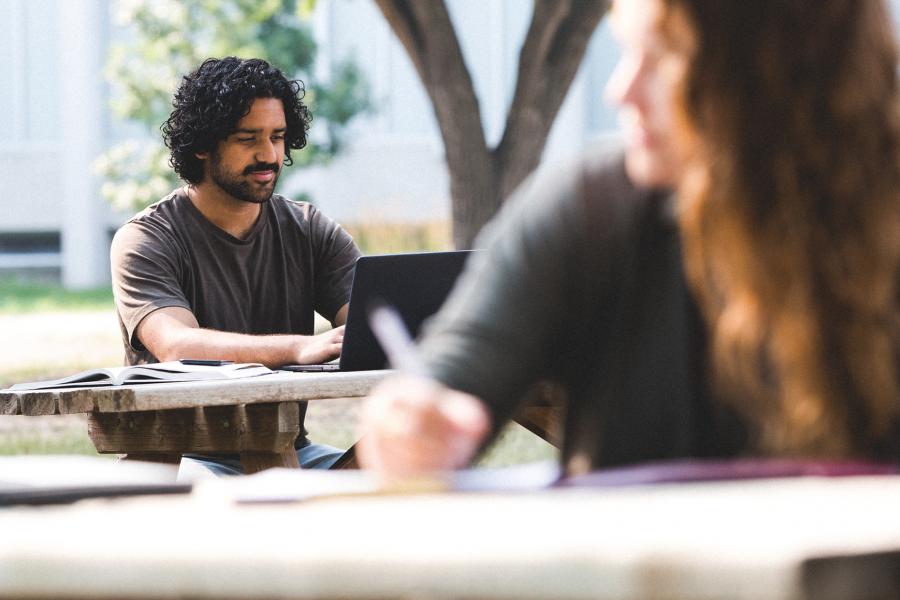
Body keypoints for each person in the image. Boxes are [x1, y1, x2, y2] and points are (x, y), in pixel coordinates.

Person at [358, 0, 900, 476]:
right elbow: (448, 379)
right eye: (626, 50)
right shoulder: (586, 209)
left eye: (666, 56)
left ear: (787, 62)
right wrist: (405, 428)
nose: (622, 90)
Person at [110, 57, 361, 475]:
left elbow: (374, 325)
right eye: (249, 139)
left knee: (413, 482)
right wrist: (298, 348)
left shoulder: (310, 229)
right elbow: (178, 346)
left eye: (278, 137)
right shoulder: (146, 239)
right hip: (183, 459)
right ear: (203, 145)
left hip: (292, 453)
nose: (269, 154)